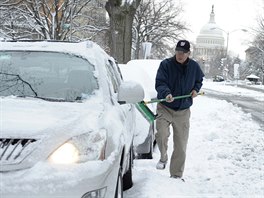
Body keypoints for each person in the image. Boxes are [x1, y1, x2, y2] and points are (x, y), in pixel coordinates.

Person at [155, 39, 204, 180]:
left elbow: (199, 80)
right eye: (177, 51)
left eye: (183, 52)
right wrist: (166, 94)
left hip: (183, 110)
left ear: (189, 53)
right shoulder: (166, 65)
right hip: (165, 107)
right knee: (162, 134)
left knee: (181, 145)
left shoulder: (194, 67)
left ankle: (176, 175)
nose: (180, 54)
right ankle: (163, 157)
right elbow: (160, 83)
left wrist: (195, 89)